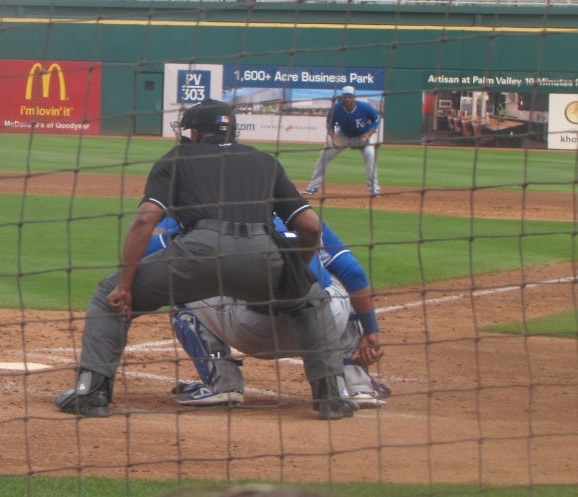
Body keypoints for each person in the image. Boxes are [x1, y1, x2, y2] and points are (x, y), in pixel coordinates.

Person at [54, 100, 359, 420]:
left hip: (198, 254)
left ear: (196, 132)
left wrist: (125, 285)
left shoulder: (177, 158)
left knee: (108, 297)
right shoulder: (265, 162)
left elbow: (145, 220)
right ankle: (333, 395)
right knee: (310, 301)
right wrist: (294, 273)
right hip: (261, 256)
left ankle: (92, 393)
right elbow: (309, 226)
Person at [144, 216, 388, 408]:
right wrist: (371, 332)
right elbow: (354, 274)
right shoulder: (302, 217)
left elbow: (148, 254)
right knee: (338, 278)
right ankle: (357, 384)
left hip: (251, 331)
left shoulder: (202, 215)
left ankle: (222, 384)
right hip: (321, 325)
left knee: (181, 284)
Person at [304, 85, 382, 197]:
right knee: (324, 155)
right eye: (345, 97)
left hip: (363, 136)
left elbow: (377, 119)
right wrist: (334, 138)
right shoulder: (336, 108)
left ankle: (374, 189)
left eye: (350, 97)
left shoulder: (365, 107)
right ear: (342, 97)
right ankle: (313, 186)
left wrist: (368, 135)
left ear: (354, 97)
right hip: (343, 135)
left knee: (370, 155)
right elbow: (329, 125)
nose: (347, 99)